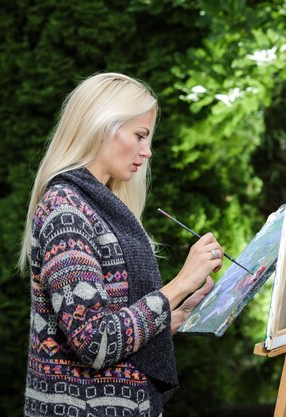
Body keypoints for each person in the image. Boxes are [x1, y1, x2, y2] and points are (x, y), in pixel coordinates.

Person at [17, 72, 224, 417]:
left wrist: (171, 316)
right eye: (140, 136)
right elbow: (95, 343)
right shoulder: (65, 212)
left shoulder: (102, 205)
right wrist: (181, 283)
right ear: (102, 126)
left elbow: (116, 326)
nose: (148, 151)